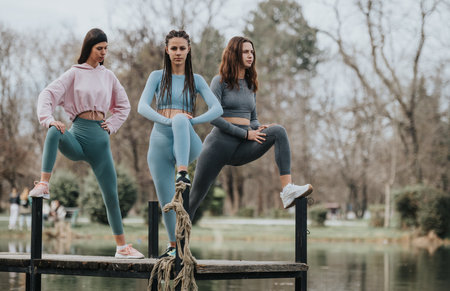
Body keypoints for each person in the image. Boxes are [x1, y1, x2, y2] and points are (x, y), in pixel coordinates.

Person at [28, 28, 144, 259]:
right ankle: (44, 184)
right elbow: (47, 94)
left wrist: (111, 126)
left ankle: (122, 247)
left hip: (100, 140)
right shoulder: (74, 73)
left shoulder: (108, 76)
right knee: (54, 131)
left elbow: (124, 106)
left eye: (105, 49)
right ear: (89, 48)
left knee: (111, 194)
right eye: (99, 48)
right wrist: (50, 119)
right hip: (78, 135)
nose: (103, 53)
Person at [189, 36, 313, 220]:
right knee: (193, 201)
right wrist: (246, 133)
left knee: (278, 131)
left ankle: (287, 190)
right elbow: (214, 118)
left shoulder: (250, 84)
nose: (250, 55)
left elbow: (252, 118)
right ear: (234, 54)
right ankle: (176, 245)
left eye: (252, 52)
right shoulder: (219, 81)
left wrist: (259, 127)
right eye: (245, 52)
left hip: (242, 146)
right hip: (218, 146)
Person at [138, 30, 223, 258]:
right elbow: (142, 107)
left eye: (182, 48)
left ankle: (182, 171)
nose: (177, 53)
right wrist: (168, 120)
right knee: (166, 200)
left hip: (187, 142)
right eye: (173, 48)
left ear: (189, 50)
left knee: (180, 120)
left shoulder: (197, 80)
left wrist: (190, 121)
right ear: (167, 50)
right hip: (160, 141)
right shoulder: (156, 76)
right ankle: (174, 246)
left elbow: (217, 109)